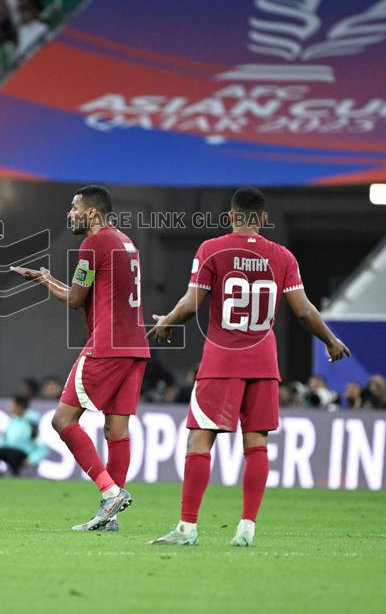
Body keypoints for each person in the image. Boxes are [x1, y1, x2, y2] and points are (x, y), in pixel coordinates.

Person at [146, 187, 350, 547]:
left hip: (222, 360)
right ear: (264, 220)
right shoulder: (282, 256)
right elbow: (303, 311)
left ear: (230, 216)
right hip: (263, 362)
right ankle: (246, 528)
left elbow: (192, 304)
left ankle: (187, 528)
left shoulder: (212, 249)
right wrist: (330, 340)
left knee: (200, 439)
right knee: (256, 444)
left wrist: (166, 323)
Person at [10, 185, 145, 532]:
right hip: (135, 346)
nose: (70, 214)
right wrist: (45, 277)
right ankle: (110, 515)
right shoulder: (124, 242)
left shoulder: (93, 244)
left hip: (106, 346)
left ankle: (109, 491)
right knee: (117, 430)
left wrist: (43, 281)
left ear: (93, 213)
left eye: (74, 207)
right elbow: (84, 295)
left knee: (62, 420)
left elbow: (74, 299)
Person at [0, 396, 46, 476]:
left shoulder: (32, 423)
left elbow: (42, 447)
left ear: (20, 407)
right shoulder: (12, 421)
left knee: (13, 455)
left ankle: (16, 475)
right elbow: (3, 438)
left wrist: (31, 460)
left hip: (23, 454)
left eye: (12, 405)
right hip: (10, 451)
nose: (10, 407)